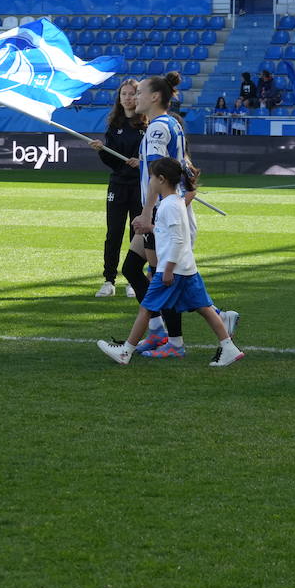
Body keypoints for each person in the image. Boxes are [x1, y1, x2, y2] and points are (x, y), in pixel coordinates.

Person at [121, 72, 239, 358]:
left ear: (155, 97)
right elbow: (178, 167)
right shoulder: (168, 124)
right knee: (134, 269)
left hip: (165, 215)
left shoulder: (159, 128)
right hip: (168, 211)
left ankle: (175, 340)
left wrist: (148, 213)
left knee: (165, 278)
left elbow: (158, 175)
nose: (135, 97)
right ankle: (164, 331)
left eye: (140, 92)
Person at [98, 157, 244, 367]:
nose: (149, 183)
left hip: (173, 270)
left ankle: (125, 351)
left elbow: (177, 240)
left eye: (151, 179)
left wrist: (167, 270)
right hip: (186, 269)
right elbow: (171, 233)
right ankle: (229, 348)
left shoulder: (168, 206)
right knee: (205, 308)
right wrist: (150, 228)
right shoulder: (174, 203)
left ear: (161, 180)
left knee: (147, 308)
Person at [90, 78, 144, 298]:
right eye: (124, 94)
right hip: (118, 185)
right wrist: (102, 150)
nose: (128, 98)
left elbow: (155, 157)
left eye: (132, 94)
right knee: (113, 233)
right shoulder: (114, 124)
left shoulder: (148, 124)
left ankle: (134, 279)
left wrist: (141, 161)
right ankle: (109, 280)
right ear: (119, 98)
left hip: (140, 185)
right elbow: (112, 160)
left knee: (137, 233)